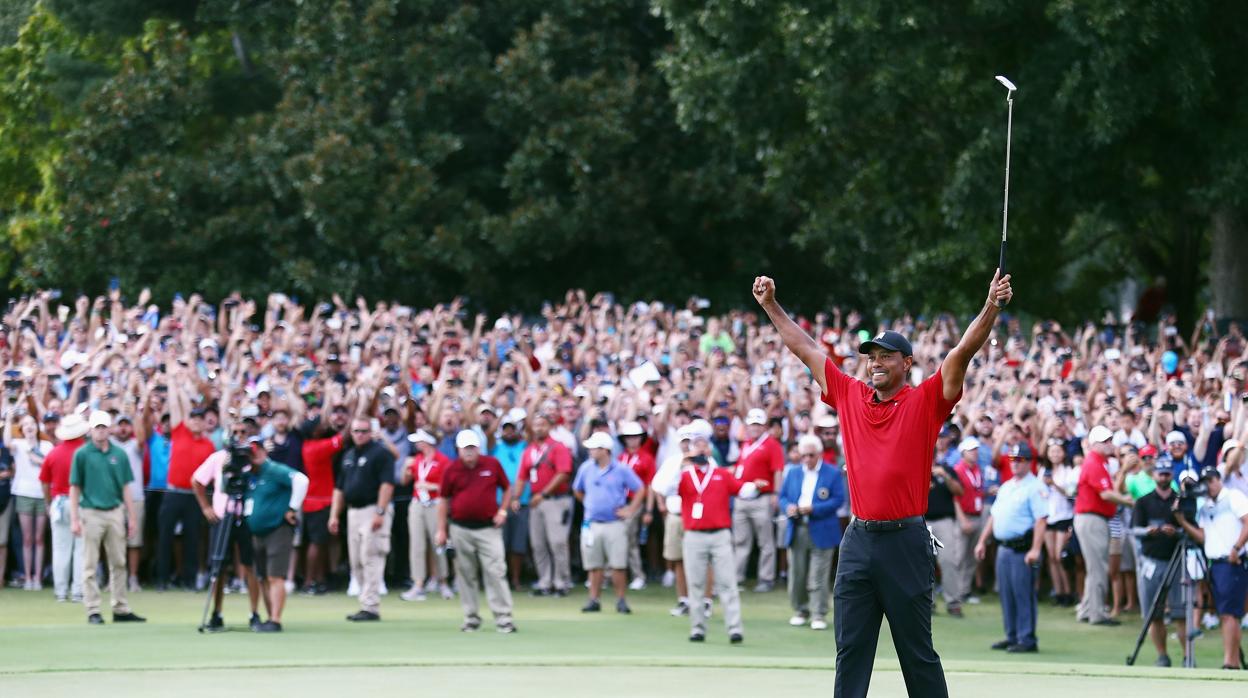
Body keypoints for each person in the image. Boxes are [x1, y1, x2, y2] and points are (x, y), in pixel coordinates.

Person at [753, 269, 1012, 698]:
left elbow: (963, 350)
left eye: (886, 356)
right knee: (850, 650)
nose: (875, 362)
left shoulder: (926, 401)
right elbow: (805, 348)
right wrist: (769, 305)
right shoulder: (850, 394)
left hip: (905, 541)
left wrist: (991, 305)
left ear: (906, 364)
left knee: (917, 652)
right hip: (857, 540)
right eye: (871, 356)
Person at [436, 430, 516, 633]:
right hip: (460, 528)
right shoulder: (451, 469)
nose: (469, 452)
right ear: (459, 450)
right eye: (466, 448)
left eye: (472, 448)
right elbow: (443, 500)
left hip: (489, 528)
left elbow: (507, 488)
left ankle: (504, 618)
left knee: (496, 571)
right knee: (465, 574)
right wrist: (441, 529)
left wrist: (503, 511)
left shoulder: (491, 464)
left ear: (478, 448)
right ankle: (471, 617)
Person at [69, 411, 145, 625]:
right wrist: (74, 518)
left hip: (114, 511)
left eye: (104, 427)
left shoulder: (119, 454)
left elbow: (125, 487)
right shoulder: (82, 454)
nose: (101, 431)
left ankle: (120, 607)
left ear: (109, 429)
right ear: (91, 430)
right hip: (91, 511)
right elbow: (75, 487)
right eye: (97, 427)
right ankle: (93, 609)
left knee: (119, 561)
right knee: (90, 563)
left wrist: (132, 517)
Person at [676, 451, 760, 643]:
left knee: (728, 583)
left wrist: (755, 486)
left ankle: (734, 629)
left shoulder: (721, 474)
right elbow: (664, 487)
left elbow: (743, 491)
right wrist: (681, 461)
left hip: (720, 534)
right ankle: (697, 628)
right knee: (695, 584)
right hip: (694, 534)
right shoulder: (685, 475)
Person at [974, 443, 1047, 652]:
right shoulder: (1007, 486)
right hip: (1004, 547)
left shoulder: (1035, 487)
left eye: (1020, 460)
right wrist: (982, 541)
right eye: (1013, 459)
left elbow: (1041, 520)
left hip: (1022, 548)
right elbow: (994, 515)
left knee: (1023, 593)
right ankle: (1012, 634)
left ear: (1029, 462)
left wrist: (1035, 549)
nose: (1015, 464)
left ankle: (1027, 638)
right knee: (1006, 593)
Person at [1175, 466, 1248, 670]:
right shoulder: (1206, 505)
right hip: (1214, 563)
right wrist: (1182, 520)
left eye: (1211, 480)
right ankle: (1231, 662)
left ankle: (1229, 663)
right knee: (1226, 613)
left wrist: (1237, 547)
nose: (1208, 486)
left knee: (1229, 614)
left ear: (1218, 480)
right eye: (1204, 482)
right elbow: (1203, 536)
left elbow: (1247, 521)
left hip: (1232, 561)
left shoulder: (1233, 496)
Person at [192, 426, 264, 632]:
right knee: (219, 566)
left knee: (250, 565)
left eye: (244, 432)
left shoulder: (253, 457)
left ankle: (254, 613)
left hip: (246, 516)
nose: (240, 435)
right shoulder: (219, 457)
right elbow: (197, 480)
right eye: (237, 432)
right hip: (222, 516)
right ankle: (216, 613)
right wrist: (206, 507)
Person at [328, 417, 396, 622]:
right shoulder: (348, 455)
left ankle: (371, 605)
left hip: (372, 509)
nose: (359, 435)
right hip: (353, 511)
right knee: (356, 559)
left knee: (371, 556)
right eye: (356, 431)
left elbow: (387, 484)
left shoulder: (381, 453)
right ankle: (364, 602)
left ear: (370, 432)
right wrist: (334, 515)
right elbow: (339, 488)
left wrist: (380, 511)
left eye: (363, 431)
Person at [573, 431, 645, 614]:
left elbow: (640, 489)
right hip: (592, 523)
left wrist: (630, 510)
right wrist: (589, 504)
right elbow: (578, 490)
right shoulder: (586, 468)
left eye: (593, 448)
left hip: (615, 523)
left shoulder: (620, 469)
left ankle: (621, 600)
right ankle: (593, 599)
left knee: (618, 565)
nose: (590, 451)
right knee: (594, 565)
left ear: (604, 450)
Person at [778, 433, 844, 630]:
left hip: (822, 527)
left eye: (811, 455)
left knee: (818, 575)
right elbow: (782, 497)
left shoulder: (832, 473)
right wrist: (788, 507)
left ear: (819, 454)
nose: (807, 459)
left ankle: (818, 613)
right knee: (797, 573)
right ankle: (800, 609)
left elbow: (838, 500)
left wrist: (815, 508)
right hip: (797, 527)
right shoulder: (793, 472)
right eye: (803, 455)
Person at [244, 436, 309, 633]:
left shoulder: (273, 469)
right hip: (257, 532)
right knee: (262, 576)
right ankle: (269, 616)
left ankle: (275, 619)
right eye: (250, 452)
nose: (253, 455)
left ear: (264, 451)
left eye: (256, 451)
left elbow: (301, 480)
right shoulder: (249, 474)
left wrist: (292, 508)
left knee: (275, 576)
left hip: (277, 529)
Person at [157, 387, 217, 590]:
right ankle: (162, 579)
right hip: (173, 493)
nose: (196, 422)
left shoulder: (209, 445)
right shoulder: (179, 432)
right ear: (188, 420)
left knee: (193, 539)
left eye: (200, 419)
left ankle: (189, 580)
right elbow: (175, 405)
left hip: (194, 496)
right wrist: (174, 380)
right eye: (193, 418)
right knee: (165, 536)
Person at [1074, 425, 1134, 626]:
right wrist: (1128, 501)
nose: (1110, 444)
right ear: (1094, 444)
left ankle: (1087, 609)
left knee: (1095, 567)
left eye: (1110, 440)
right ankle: (1097, 613)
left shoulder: (1100, 462)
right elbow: (1106, 494)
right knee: (1098, 567)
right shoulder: (1094, 462)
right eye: (1105, 441)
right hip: (1092, 518)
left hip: (1095, 518)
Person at [1129, 461, 1187, 667]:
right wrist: (1148, 531)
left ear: (1171, 475)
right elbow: (1134, 529)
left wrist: (1176, 531)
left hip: (1176, 560)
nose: (1163, 478)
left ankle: (1187, 656)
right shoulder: (1143, 502)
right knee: (1153, 613)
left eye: (1166, 474)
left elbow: (1190, 530)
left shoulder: (1180, 501)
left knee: (1181, 613)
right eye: (1160, 474)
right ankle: (1162, 655)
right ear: (1154, 475)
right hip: (1151, 560)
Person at [512, 413, 573, 596]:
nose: (539, 428)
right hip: (536, 502)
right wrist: (516, 497)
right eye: (536, 425)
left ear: (550, 427)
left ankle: (562, 582)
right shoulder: (529, 450)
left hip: (555, 500)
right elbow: (522, 476)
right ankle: (545, 581)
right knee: (538, 544)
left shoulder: (558, 447)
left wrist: (544, 493)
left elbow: (563, 473)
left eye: (543, 425)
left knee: (557, 542)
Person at [733, 408, 784, 592]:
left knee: (765, 542)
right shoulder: (746, 443)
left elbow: (778, 470)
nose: (754, 427)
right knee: (740, 541)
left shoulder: (772, 444)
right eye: (752, 424)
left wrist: (776, 494)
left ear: (763, 426)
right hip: (742, 497)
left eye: (757, 424)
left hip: (762, 498)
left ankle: (766, 578)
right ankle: (737, 578)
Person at [41, 413, 88, 602]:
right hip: (82, 502)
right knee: (80, 548)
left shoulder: (54, 453)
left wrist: (48, 502)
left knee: (60, 548)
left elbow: (44, 481)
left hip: (59, 503)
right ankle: (78, 590)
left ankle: (61, 591)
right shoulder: (85, 452)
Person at [399, 429, 451, 601]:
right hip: (417, 504)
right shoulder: (417, 460)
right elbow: (404, 481)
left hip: (435, 505)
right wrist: (406, 469)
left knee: (438, 543)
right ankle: (418, 584)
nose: (416, 444)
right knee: (417, 544)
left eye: (419, 440)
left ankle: (443, 582)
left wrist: (431, 486)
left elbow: (448, 487)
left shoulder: (443, 461)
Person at [5, 411, 52, 590]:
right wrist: (9, 418)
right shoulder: (18, 444)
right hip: (24, 493)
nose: (29, 427)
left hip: (41, 494)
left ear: (37, 427)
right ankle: (28, 576)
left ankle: (38, 578)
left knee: (39, 538)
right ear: (22, 429)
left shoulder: (46, 446)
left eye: (32, 423)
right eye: (25, 425)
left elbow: (49, 466)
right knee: (27, 538)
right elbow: (8, 441)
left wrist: (38, 460)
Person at [927, 440, 965, 617]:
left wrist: (945, 476)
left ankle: (953, 602)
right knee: (922, 563)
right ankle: (928, 602)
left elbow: (959, 492)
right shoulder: (915, 470)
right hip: (922, 521)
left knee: (948, 560)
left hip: (944, 521)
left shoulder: (946, 469)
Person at [617, 420, 655, 591]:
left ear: (641, 439)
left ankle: (638, 575)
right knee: (617, 537)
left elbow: (650, 485)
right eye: (628, 437)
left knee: (629, 537)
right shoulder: (620, 458)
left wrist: (648, 509)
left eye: (635, 437)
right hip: (619, 503)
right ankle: (615, 574)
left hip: (636, 502)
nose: (632, 440)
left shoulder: (647, 458)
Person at [492, 415, 529, 591]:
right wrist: (501, 415)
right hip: (499, 503)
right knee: (501, 544)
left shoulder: (525, 447)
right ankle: (502, 579)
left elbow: (530, 431)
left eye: (511, 429)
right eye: (505, 429)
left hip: (522, 501)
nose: (508, 432)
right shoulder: (496, 447)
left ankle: (515, 579)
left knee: (518, 544)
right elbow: (489, 435)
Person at [111, 415, 145, 592]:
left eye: (127, 425)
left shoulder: (135, 445)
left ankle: (133, 578)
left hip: (135, 497)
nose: (123, 428)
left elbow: (141, 438)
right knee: (113, 541)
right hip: (113, 498)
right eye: (120, 425)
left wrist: (134, 412)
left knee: (134, 541)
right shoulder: (108, 444)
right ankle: (114, 578)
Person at [952, 437, 987, 608]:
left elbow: (976, 491)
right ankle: (955, 591)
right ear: (963, 453)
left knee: (972, 557)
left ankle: (965, 591)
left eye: (976, 449)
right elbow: (955, 497)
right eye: (971, 450)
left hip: (977, 515)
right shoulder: (958, 469)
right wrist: (962, 519)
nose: (975, 453)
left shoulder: (977, 469)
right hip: (964, 516)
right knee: (959, 556)